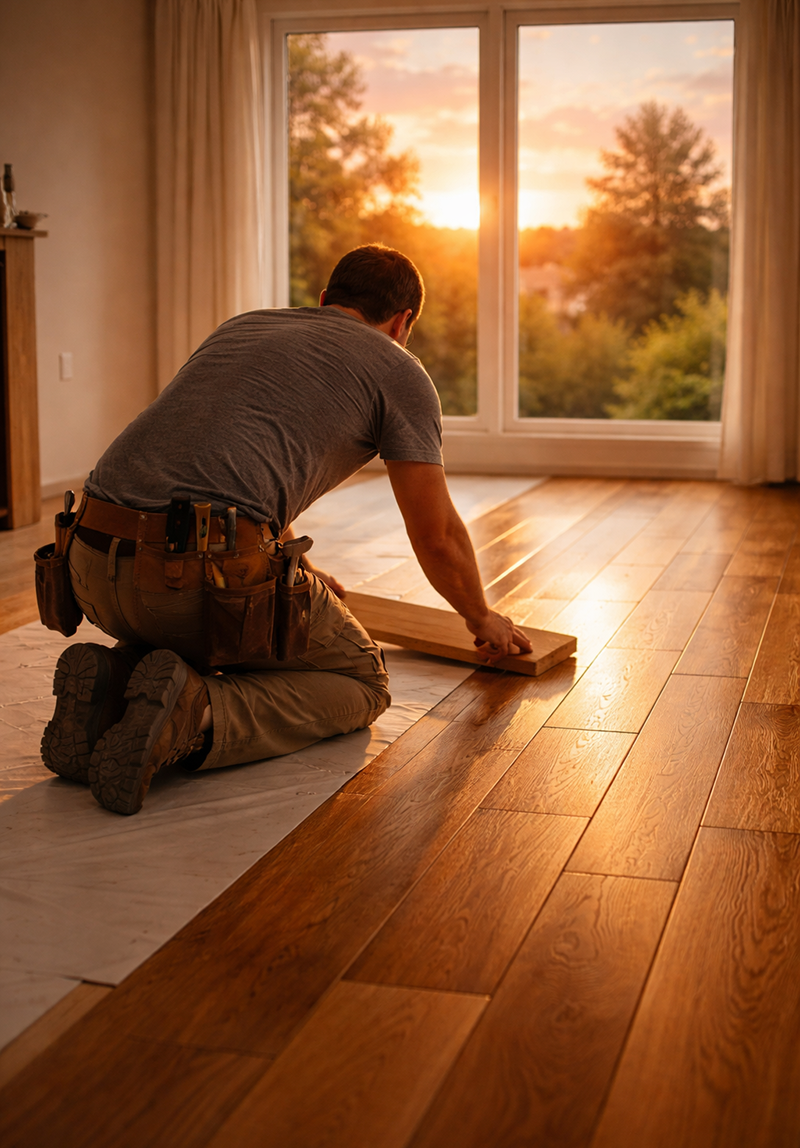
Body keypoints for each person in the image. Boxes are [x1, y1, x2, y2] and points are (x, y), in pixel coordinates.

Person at [42, 244, 531, 816]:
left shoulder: (243, 327)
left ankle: (111, 681)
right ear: (403, 323)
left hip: (86, 562)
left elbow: (217, 446)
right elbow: (437, 533)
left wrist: (290, 561)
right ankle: (197, 710)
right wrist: (479, 616)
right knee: (362, 682)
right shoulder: (399, 369)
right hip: (189, 581)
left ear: (325, 301)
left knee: (206, 621)